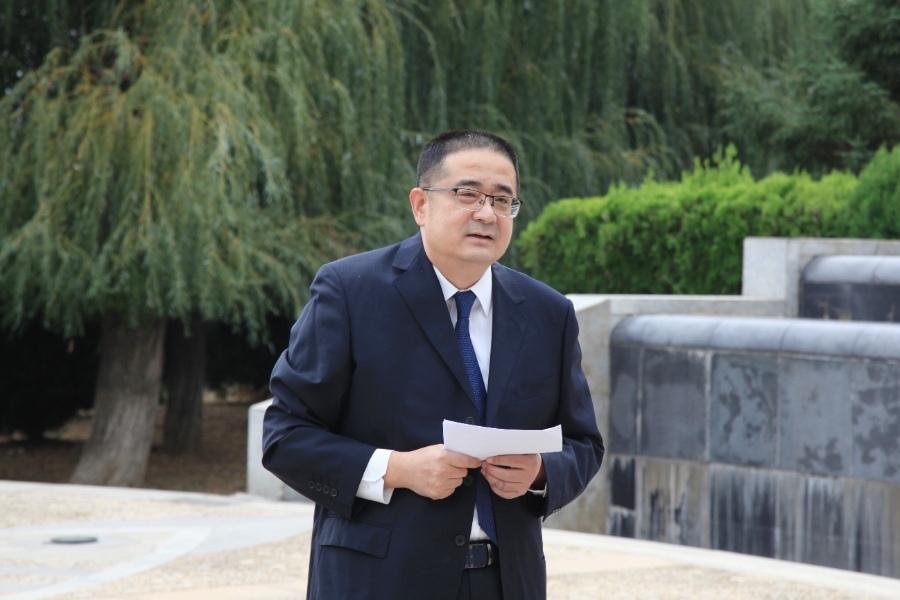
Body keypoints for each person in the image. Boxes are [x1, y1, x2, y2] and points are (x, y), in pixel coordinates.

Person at [263, 130, 604, 600]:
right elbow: (285, 436)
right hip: (379, 581)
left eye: (502, 200)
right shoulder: (350, 291)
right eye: (467, 194)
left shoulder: (548, 312)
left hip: (508, 582)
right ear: (420, 204)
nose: (486, 213)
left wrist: (540, 472)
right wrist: (398, 470)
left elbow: (584, 443)